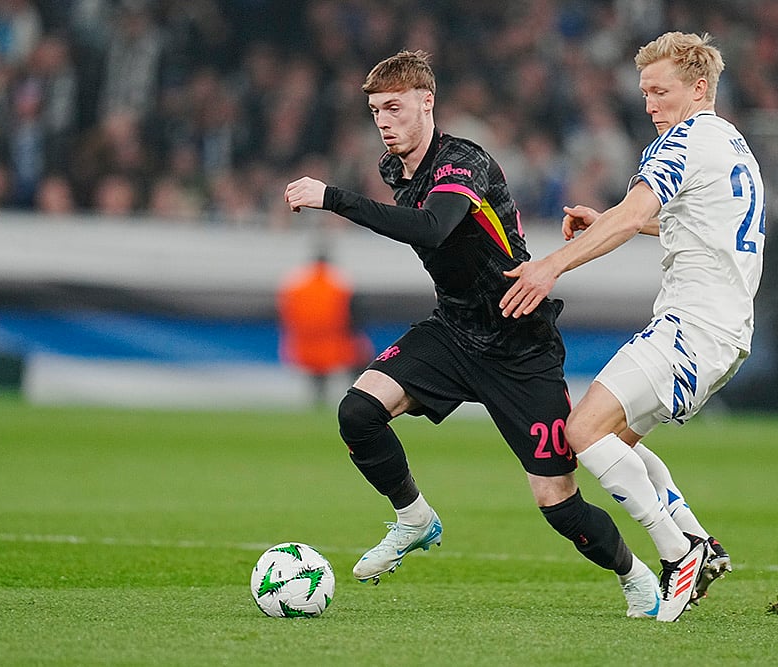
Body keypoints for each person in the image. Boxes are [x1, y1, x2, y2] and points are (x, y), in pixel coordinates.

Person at [285, 50, 664, 620]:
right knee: (358, 412)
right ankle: (414, 518)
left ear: (427, 103)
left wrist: (332, 198)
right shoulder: (395, 169)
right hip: (455, 330)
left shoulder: (463, 160)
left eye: (394, 108)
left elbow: (434, 228)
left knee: (558, 504)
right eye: (376, 111)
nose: (383, 121)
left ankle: (636, 578)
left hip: (519, 341)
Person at [500, 32, 765, 621]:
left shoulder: (683, 140)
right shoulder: (731, 142)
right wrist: (610, 219)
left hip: (692, 325)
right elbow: (684, 223)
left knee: (582, 430)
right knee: (616, 441)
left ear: (699, 88)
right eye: (645, 93)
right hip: (723, 329)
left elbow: (636, 215)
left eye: (660, 92)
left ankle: (678, 553)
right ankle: (699, 542)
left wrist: (550, 266)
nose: (649, 105)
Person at [276, 248, 372, 406]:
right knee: (357, 365)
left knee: (317, 373)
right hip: (336, 337)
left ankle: (319, 399)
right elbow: (352, 312)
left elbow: (285, 313)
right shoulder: (338, 281)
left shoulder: (297, 283)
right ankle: (358, 396)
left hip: (306, 338)